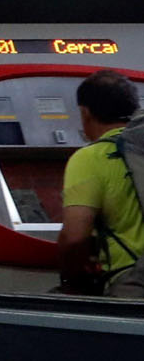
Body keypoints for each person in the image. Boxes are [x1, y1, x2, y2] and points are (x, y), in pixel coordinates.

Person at [57, 68, 144, 298]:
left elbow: (75, 237)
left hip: (133, 283)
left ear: (85, 113)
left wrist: (70, 282)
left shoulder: (91, 157)